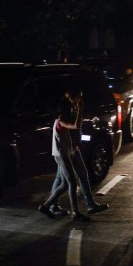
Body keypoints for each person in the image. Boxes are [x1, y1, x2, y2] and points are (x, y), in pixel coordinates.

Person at [48, 88, 109, 217]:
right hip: (64, 151)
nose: (80, 100)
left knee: (80, 175)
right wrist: (79, 110)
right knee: (66, 181)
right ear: (69, 96)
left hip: (71, 148)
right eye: (78, 97)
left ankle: (89, 205)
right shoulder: (64, 112)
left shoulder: (72, 108)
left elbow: (77, 128)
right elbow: (74, 126)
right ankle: (53, 207)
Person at [38, 87, 90, 222]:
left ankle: (46, 206)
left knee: (65, 184)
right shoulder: (60, 121)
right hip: (61, 155)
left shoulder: (62, 119)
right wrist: (80, 109)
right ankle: (75, 213)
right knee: (71, 182)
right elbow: (76, 126)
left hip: (65, 153)